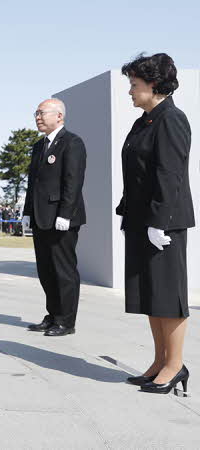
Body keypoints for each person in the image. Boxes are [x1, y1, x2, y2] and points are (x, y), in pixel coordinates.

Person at [116, 53, 194, 394]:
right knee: (150, 296)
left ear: (153, 85)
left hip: (164, 224)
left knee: (168, 297)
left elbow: (169, 174)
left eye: (134, 85)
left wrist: (159, 221)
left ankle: (176, 365)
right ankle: (160, 360)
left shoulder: (171, 119)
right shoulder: (144, 121)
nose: (130, 92)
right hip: (141, 220)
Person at [22, 98, 87, 337]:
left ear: (59, 116)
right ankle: (53, 314)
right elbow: (33, 184)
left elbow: (73, 182)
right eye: (35, 113)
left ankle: (66, 321)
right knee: (46, 270)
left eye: (41, 113)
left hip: (62, 219)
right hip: (40, 217)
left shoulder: (72, 143)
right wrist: (27, 212)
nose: (37, 117)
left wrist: (65, 214)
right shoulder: (40, 146)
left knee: (64, 270)